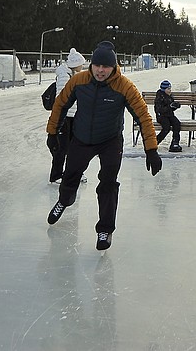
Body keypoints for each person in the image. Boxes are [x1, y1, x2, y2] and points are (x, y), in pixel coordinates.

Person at [45, 41, 163, 251]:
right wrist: (53, 132)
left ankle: (105, 230)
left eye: (105, 66)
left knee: (108, 184)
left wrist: (151, 149)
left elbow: (143, 116)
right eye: (97, 65)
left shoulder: (124, 86)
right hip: (81, 138)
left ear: (113, 67)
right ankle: (64, 200)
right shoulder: (79, 81)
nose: (100, 70)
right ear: (91, 64)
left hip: (110, 140)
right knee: (70, 175)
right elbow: (61, 104)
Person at [47, 48, 87, 183]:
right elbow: (62, 97)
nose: (83, 66)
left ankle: (74, 173)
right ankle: (56, 175)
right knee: (62, 147)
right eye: (81, 64)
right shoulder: (65, 76)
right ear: (76, 64)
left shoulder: (72, 74)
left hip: (74, 116)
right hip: (65, 117)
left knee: (75, 147)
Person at [154, 80, 183, 152]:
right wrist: (170, 106)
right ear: (163, 89)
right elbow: (159, 109)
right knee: (166, 128)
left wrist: (175, 106)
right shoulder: (159, 96)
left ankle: (175, 143)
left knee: (177, 124)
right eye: (168, 89)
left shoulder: (169, 96)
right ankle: (154, 142)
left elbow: (171, 108)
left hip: (169, 115)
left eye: (170, 88)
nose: (170, 90)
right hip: (161, 116)